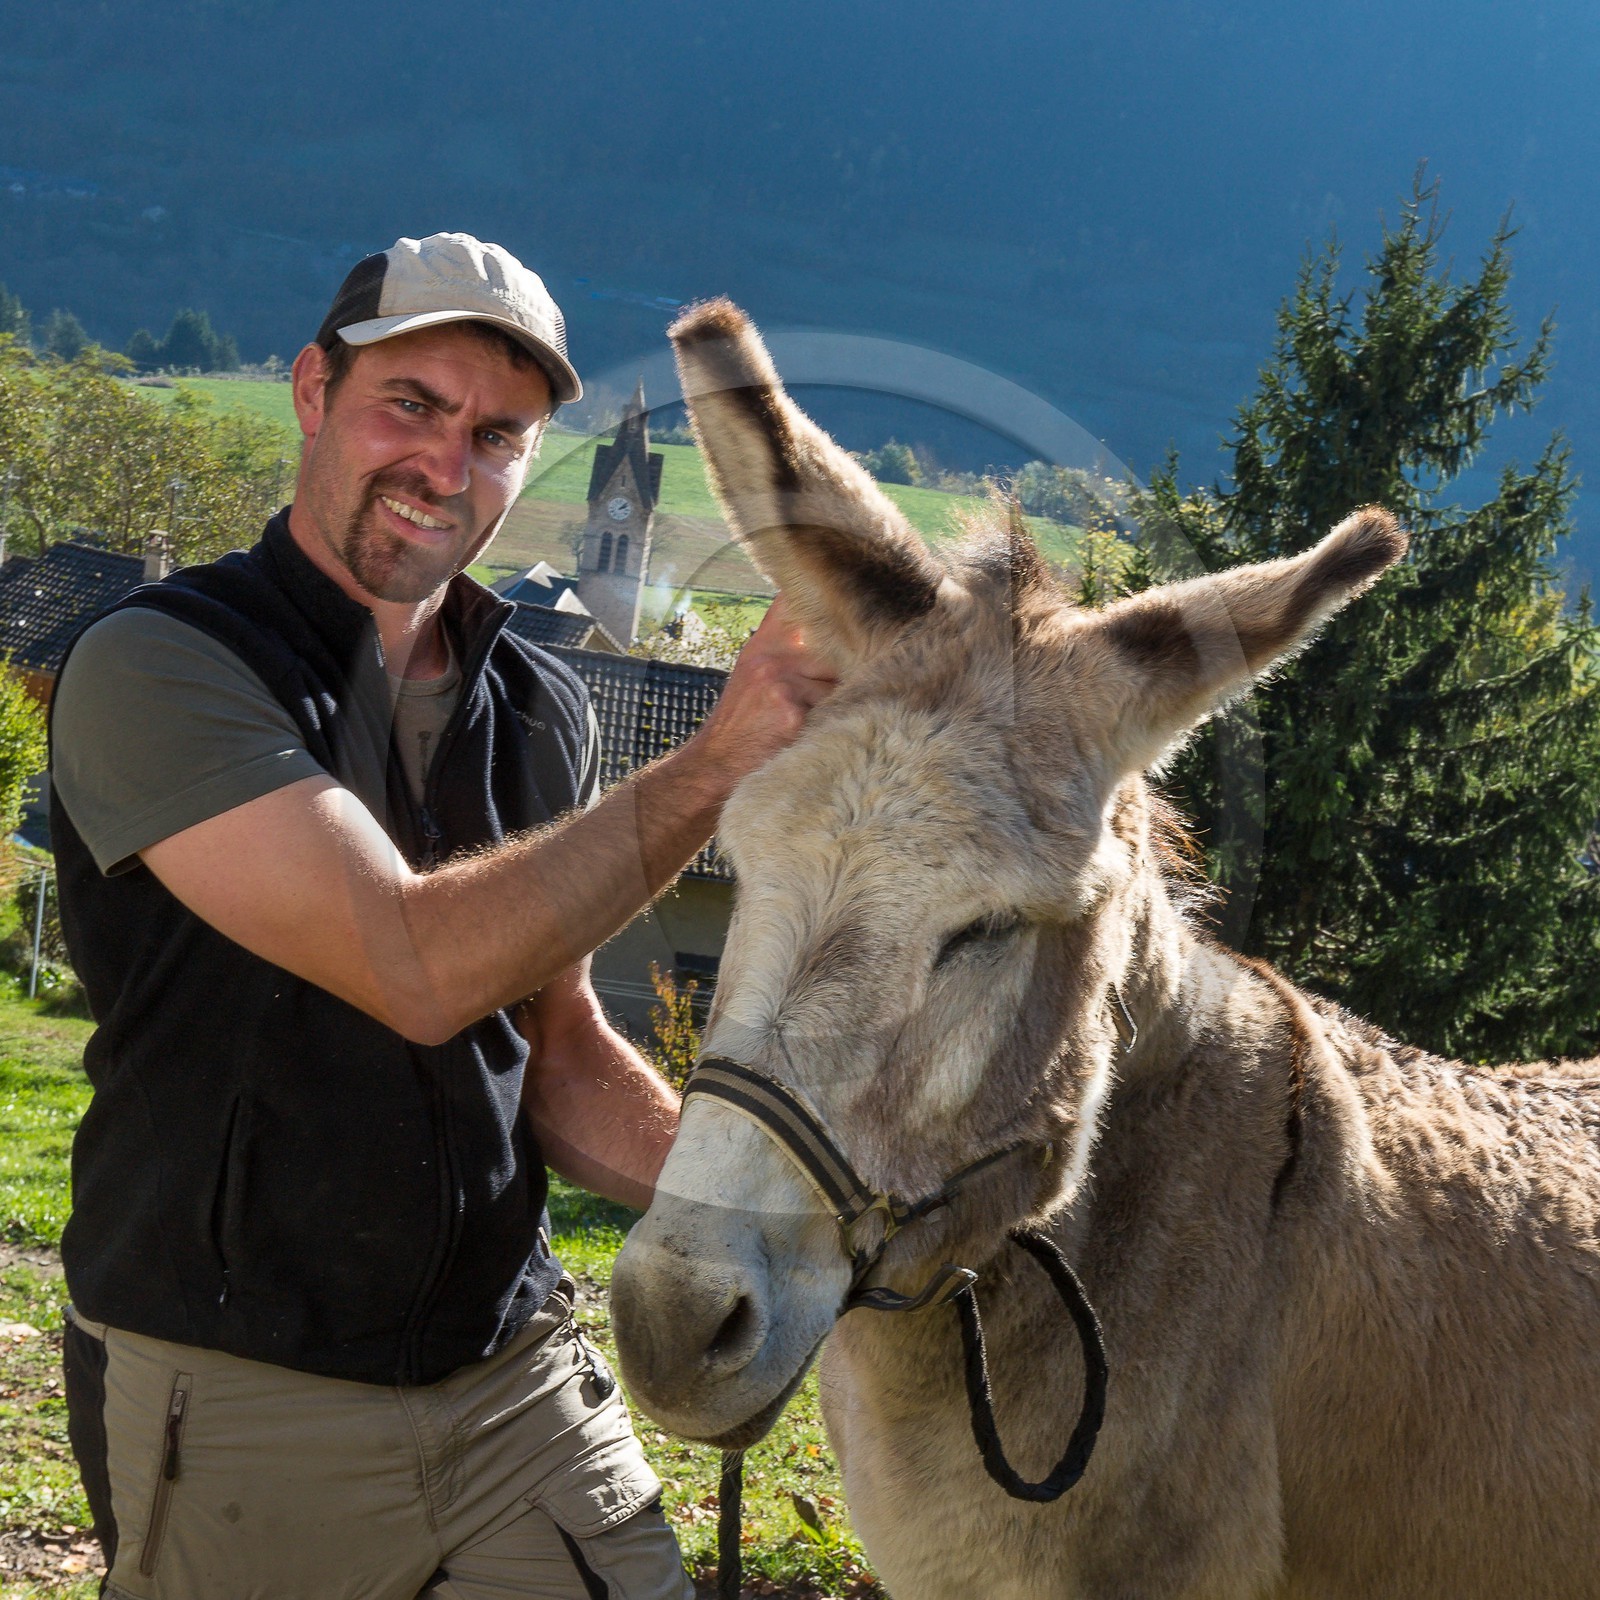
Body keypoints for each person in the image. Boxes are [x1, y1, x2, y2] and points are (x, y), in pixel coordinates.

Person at [48, 231, 834, 1600]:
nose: (444, 463)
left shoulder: (546, 708)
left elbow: (556, 1051)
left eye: (497, 433)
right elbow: (412, 965)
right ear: (309, 391)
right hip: (236, 1402)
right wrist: (716, 764)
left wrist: (807, 1221)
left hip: (514, 1390)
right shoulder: (158, 667)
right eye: (409, 404)